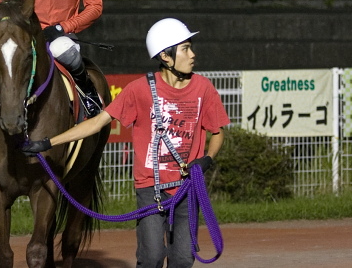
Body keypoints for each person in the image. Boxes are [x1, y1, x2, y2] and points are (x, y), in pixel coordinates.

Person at [21, 18, 230, 268]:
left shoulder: (204, 89)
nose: (193, 54)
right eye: (185, 48)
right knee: (152, 257)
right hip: (150, 188)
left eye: (190, 47)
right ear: (166, 56)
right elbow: (97, 122)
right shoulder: (139, 90)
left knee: (183, 260)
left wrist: (208, 158)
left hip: (188, 188)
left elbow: (217, 132)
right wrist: (48, 142)